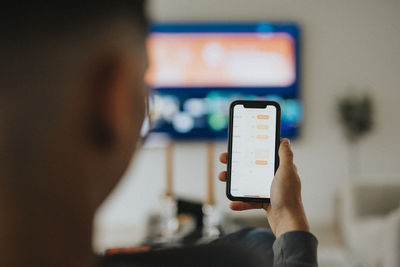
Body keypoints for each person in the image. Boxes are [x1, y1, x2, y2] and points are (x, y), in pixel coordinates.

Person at [0, 1, 317, 266]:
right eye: (145, 79)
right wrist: (290, 220)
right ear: (112, 98)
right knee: (260, 240)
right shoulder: (240, 259)